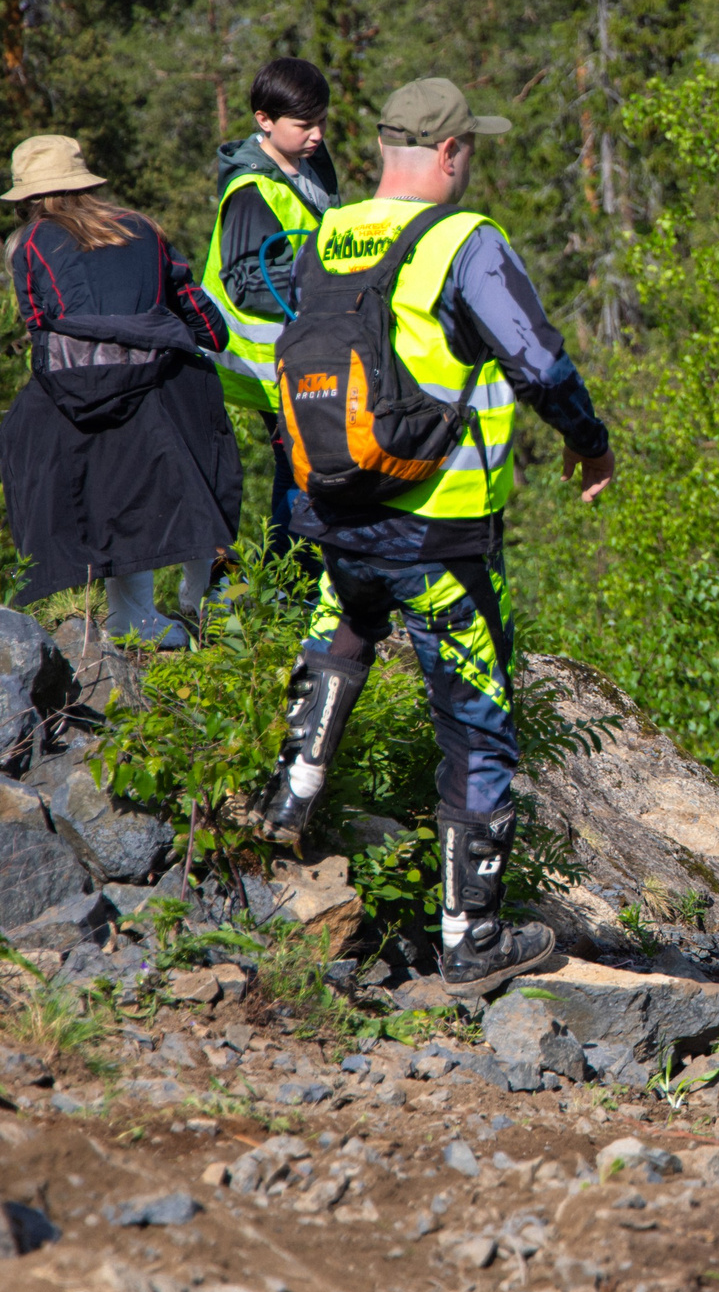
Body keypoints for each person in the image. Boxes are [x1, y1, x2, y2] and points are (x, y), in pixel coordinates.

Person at [254, 77, 615, 998]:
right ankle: (472, 937)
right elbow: (536, 359)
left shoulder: (328, 230)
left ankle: (286, 805)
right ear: (450, 153)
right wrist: (590, 440)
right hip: (437, 533)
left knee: (340, 638)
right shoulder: (464, 240)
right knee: (478, 724)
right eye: (471, 152)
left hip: (336, 514)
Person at [0, 135, 240, 648]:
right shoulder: (143, 228)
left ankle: (137, 616)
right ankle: (209, 597)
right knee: (192, 455)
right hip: (160, 382)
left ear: (27, 198)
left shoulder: (31, 243)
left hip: (80, 394)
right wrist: (207, 341)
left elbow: (40, 328)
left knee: (100, 479)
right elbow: (195, 308)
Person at [206, 57, 341, 570]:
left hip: (300, 354)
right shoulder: (250, 191)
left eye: (321, 122)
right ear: (264, 119)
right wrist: (330, 287)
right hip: (265, 363)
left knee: (305, 465)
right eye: (304, 125)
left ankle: (294, 585)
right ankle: (290, 587)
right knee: (300, 468)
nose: (316, 135)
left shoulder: (305, 169)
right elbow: (246, 281)